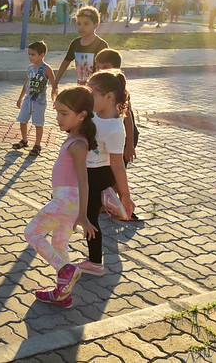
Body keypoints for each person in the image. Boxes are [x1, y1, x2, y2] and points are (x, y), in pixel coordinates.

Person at [25, 86, 97, 308]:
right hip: (69, 202)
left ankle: (65, 269)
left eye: (64, 113)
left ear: (82, 115)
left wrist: (83, 216)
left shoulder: (77, 145)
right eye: (57, 112)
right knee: (59, 243)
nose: (58, 118)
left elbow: (84, 181)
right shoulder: (76, 139)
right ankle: (62, 294)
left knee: (32, 233)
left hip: (66, 202)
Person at [78, 70, 135, 277]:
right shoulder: (94, 114)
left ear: (109, 97)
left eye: (92, 93)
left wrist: (125, 195)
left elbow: (117, 164)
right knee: (84, 213)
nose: (87, 97)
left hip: (97, 174)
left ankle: (95, 263)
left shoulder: (114, 128)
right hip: (87, 170)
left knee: (91, 218)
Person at [95, 48, 140, 219]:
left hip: (126, 136)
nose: (101, 70)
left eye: (105, 67)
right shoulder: (104, 86)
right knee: (110, 168)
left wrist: (129, 145)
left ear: (116, 69)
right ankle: (109, 201)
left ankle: (118, 202)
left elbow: (127, 119)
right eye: (98, 67)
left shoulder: (119, 90)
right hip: (114, 136)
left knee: (117, 170)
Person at [13, 41, 56, 157]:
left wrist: (55, 99)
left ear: (42, 55)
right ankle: (24, 140)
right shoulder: (29, 68)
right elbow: (26, 84)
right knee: (22, 120)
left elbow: (54, 85)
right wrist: (20, 98)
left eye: (33, 54)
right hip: (28, 100)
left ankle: (37, 145)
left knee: (38, 123)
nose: (30, 57)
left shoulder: (46, 69)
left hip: (39, 101)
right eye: (29, 54)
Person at [52, 6, 109, 93]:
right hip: (81, 87)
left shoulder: (101, 45)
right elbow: (65, 62)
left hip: (98, 89)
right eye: (79, 24)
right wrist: (56, 82)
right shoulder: (75, 44)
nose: (81, 27)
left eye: (86, 24)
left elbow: (108, 69)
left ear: (96, 25)